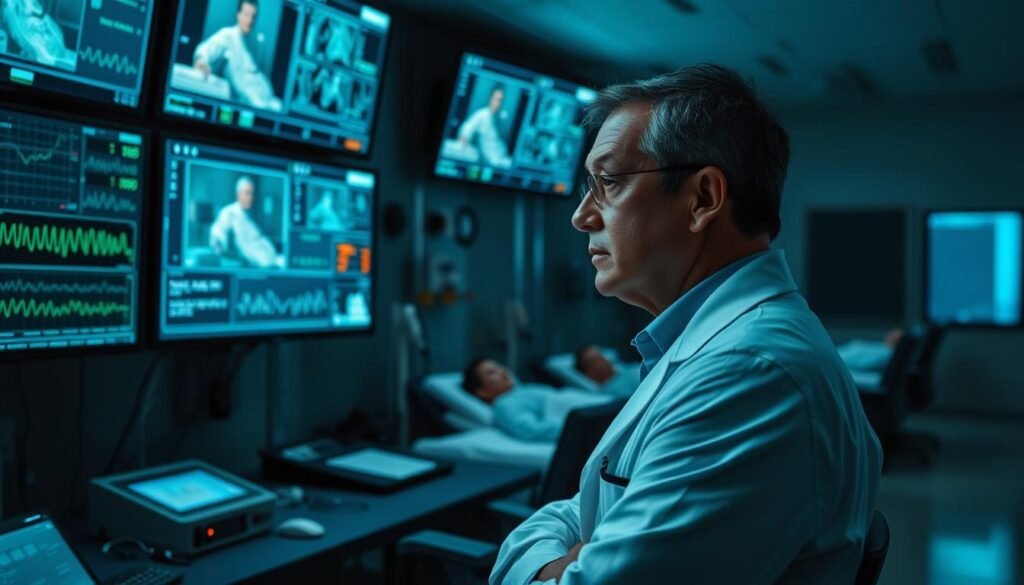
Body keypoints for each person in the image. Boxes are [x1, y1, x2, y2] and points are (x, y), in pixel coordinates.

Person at [491, 65, 882, 584]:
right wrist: (573, 550)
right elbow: (585, 512)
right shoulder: (713, 347)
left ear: (702, 198)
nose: (582, 216)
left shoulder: (748, 374)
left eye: (607, 182)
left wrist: (548, 561)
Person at [463, 358, 612, 443]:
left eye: (500, 367)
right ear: (482, 391)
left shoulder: (521, 391)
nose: (502, 372)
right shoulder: (504, 404)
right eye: (491, 372)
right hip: (591, 413)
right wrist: (581, 426)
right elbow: (530, 430)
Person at [193, 0, 281, 111]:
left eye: (253, 16)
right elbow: (206, 50)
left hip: (269, 100)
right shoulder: (228, 35)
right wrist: (201, 61)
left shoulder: (256, 43)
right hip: (251, 106)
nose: (250, 20)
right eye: (246, 15)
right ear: (238, 14)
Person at [209, 176, 283, 268]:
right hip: (255, 267)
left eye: (252, 194)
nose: (250, 197)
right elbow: (218, 232)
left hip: (271, 262)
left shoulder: (248, 217)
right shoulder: (229, 212)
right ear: (238, 194)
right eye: (247, 193)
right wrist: (218, 245)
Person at [457, 84, 512, 167]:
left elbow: (501, 142)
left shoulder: (501, 118)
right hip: (488, 161)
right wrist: (464, 144)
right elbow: (467, 129)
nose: (498, 103)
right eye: (497, 100)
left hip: (501, 159)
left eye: (501, 101)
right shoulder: (482, 115)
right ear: (491, 99)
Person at [573, 345, 638, 398]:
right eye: (595, 360)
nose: (603, 359)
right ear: (588, 374)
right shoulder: (612, 391)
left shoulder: (627, 369)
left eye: (600, 355)